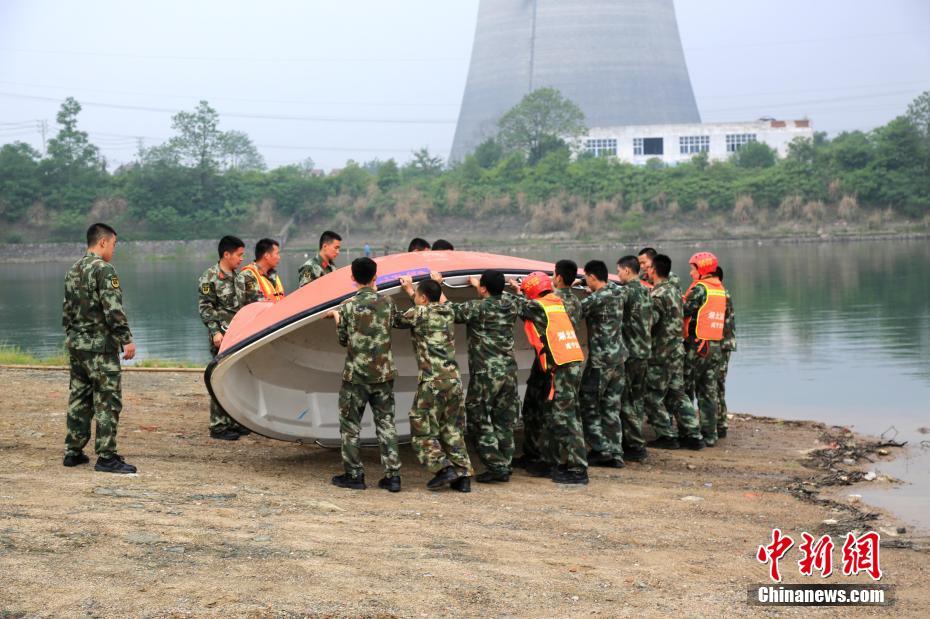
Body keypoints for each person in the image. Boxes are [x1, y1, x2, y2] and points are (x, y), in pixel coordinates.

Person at [62, 223, 137, 474]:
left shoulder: (73, 269)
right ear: (102, 242)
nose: (114, 249)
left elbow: (67, 310)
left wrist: (73, 337)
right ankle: (106, 457)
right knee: (107, 399)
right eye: (113, 244)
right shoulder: (104, 270)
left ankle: (73, 451)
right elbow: (113, 309)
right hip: (100, 348)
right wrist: (126, 339)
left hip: (77, 345)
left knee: (80, 397)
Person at [326, 258, 402, 492]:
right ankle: (393, 477)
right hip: (383, 375)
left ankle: (354, 475)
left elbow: (343, 340)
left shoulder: (347, 307)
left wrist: (336, 317)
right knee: (386, 424)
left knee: (350, 427)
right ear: (375, 277)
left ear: (352, 278)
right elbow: (396, 322)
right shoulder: (388, 302)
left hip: (356, 378)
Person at [394, 277, 473, 492]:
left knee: (421, 426)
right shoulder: (449, 311)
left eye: (418, 296)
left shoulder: (418, 313)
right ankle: (463, 475)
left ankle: (442, 467)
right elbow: (430, 304)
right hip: (453, 380)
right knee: (452, 428)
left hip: (432, 381)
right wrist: (413, 291)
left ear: (423, 298)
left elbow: (396, 319)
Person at [442, 269, 520, 483]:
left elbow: (449, 309)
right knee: (503, 420)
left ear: (484, 288)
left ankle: (497, 466)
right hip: (509, 371)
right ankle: (505, 463)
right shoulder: (511, 303)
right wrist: (481, 287)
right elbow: (508, 298)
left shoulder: (476, 307)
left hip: (486, 373)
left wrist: (438, 285)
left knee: (477, 418)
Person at [512, 272, 588, 485]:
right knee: (555, 415)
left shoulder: (538, 306)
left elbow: (516, 305)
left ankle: (578, 469)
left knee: (566, 418)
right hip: (568, 363)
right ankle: (552, 460)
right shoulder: (555, 301)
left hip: (563, 367)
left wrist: (512, 290)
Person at [643, 254, 704, 450]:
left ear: (653, 270)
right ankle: (693, 435)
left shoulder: (657, 295)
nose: (646, 270)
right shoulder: (674, 291)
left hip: (661, 354)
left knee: (652, 395)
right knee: (678, 394)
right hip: (677, 351)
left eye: (648, 267)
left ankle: (666, 435)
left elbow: (650, 323)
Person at [198, 235, 249, 440]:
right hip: (221, 336)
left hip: (238, 335)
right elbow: (205, 307)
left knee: (235, 377)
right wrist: (215, 332)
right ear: (226, 254)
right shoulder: (210, 277)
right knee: (220, 378)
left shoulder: (239, 277)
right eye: (239, 255)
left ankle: (233, 421)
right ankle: (218, 426)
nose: (241, 259)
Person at [578, 260, 626, 468]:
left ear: (592, 277)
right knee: (611, 407)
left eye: (586, 278)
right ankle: (616, 452)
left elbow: (574, 312)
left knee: (587, 403)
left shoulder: (595, 299)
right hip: (618, 359)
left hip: (601, 361)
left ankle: (601, 449)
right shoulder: (618, 292)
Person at [683, 252, 728, 447]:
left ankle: (689, 432)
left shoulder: (701, 289)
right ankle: (710, 435)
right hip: (715, 346)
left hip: (699, 347)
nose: (691, 272)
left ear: (702, 269)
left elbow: (684, 310)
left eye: (693, 269)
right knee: (708, 392)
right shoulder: (720, 289)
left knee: (685, 389)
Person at [616, 255, 652, 462]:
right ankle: (635, 439)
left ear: (627, 270)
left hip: (630, 353)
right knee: (637, 398)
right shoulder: (646, 290)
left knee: (627, 399)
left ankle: (635, 445)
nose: (618, 274)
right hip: (644, 351)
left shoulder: (626, 291)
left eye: (619, 271)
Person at [715, 266, 736, 439]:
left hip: (722, 345)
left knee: (718, 385)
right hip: (722, 344)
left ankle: (720, 424)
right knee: (717, 385)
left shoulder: (721, 294)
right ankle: (719, 422)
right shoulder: (720, 293)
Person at [239, 238, 285, 304]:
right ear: (266, 256)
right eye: (277, 254)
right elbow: (256, 303)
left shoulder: (273, 275)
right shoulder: (248, 275)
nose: (279, 257)